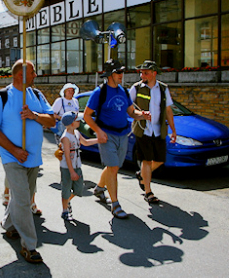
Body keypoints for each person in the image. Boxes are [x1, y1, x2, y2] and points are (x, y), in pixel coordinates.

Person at [0, 60, 54, 264]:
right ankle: (29, 246)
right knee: (24, 199)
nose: (36, 75)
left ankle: (8, 224)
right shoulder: (2, 96)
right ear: (21, 75)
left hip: (33, 157)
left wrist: (34, 116)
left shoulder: (36, 95)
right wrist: (15, 150)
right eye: (33, 72)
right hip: (12, 157)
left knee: (21, 196)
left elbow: (52, 120)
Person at [83, 59, 150, 220]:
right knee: (113, 168)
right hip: (107, 135)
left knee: (114, 167)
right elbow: (87, 115)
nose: (122, 75)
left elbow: (132, 113)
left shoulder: (124, 92)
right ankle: (115, 204)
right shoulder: (100, 92)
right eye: (119, 72)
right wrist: (98, 132)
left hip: (123, 134)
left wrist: (143, 115)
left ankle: (99, 188)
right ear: (111, 74)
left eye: (122, 72)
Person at [129, 60, 177, 204]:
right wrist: (141, 114)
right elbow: (129, 108)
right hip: (143, 129)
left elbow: (168, 110)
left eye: (146, 72)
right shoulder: (136, 88)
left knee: (160, 160)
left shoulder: (163, 88)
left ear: (154, 73)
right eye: (141, 72)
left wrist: (173, 130)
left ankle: (142, 174)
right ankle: (148, 192)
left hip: (159, 130)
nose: (142, 75)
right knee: (147, 160)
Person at [59, 111, 97, 222]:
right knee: (66, 189)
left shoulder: (76, 133)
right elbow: (66, 156)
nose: (80, 122)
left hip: (77, 166)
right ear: (71, 123)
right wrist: (72, 172)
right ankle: (65, 210)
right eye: (77, 120)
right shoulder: (65, 138)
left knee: (79, 188)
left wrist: (98, 140)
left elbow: (85, 142)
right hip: (67, 168)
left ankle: (67, 201)